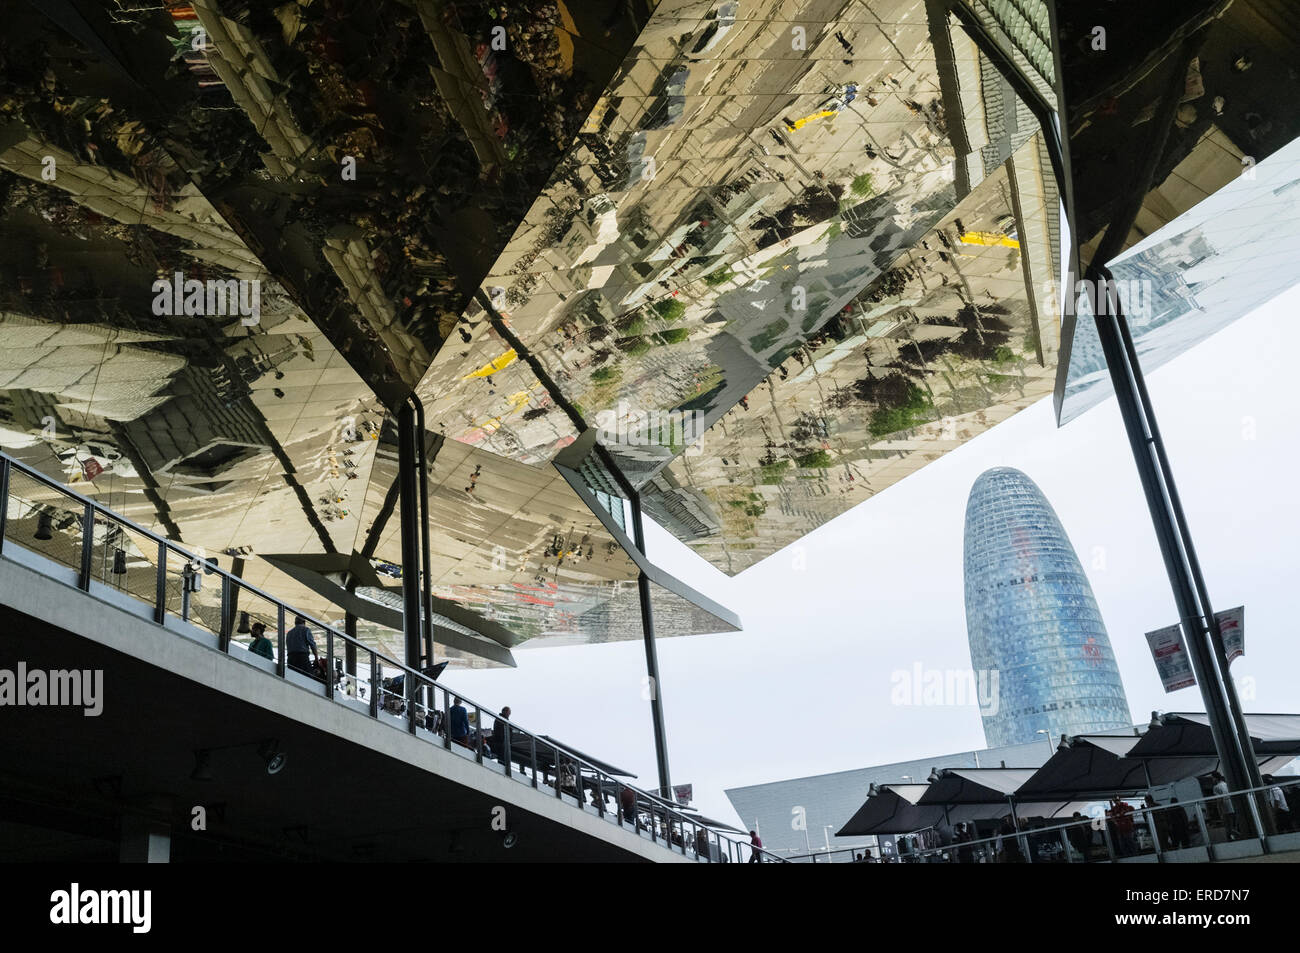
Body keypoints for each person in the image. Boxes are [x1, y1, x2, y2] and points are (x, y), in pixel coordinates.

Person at [1211, 772, 1238, 839]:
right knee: (1234, 825)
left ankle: (1231, 840)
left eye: (1212, 778)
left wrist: (1220, 811)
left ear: (1215, 778)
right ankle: (1236, 837)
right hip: (1232, 807)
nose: (1212, 780)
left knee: (1228, 827)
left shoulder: (1216, 787)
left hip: (1225, 809)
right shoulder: (1226, 784)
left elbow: (1219, 800)